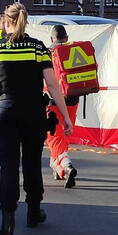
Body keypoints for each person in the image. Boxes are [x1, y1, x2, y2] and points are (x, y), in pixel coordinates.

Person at [0, 3, 73, 235]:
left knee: (8, 165)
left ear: (6, 22)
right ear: (25, 22)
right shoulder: (38, 48)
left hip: (5, 112)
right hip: (33, 113)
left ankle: (7, 220)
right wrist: (66, 116)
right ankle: (33, 212)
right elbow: (52, 85)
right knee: (31, 162)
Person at [45, 25, 80, 188]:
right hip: (72, 99)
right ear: (66, 38)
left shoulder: (47, 53)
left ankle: (66, 165)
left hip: (52, 100)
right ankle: (58, 168)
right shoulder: (74, 50)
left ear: (52, 39)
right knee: (65, 134)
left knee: (54, 137)